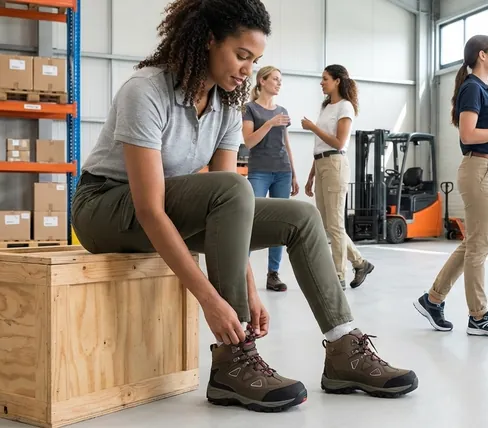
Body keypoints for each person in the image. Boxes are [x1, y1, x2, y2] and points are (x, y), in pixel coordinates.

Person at [71, 0, 417, 413]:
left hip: (165, 204)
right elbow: (149, 208)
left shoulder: (226, 107)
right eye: (241, 55)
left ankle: (344, 350)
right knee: (234, 189)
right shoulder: (145, 90)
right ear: (208, 41)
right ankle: (232, 359)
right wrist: (212, 302)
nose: (247, 69)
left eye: (255, 60)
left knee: (301, 216)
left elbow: (230, 211)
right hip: (105, 206)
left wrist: (249, 289)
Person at [412, 35, 488, 338]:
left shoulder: (480, 88)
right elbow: (468, 134)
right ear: (482, 55)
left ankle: (433, 300)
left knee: (473, 243)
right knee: (479, 246)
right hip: (480, 168)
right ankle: (479, 316)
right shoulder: (473, 88)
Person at [301, 64, 374, 290]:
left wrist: (313, 127)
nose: (321, 82)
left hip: (335, 164)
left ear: (337, 81)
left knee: (335, 224)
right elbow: (320, 145)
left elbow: (339, 143)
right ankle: (360, 263)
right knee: (327, 224)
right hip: (321, 163)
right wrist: (311, 175)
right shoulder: (326, 107)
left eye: (325, 79)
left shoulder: (345, 107)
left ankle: (338, 276)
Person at [242, 65, 298, 292]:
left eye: (280, 80)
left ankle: (273, 274)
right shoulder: (249, 109)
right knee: (248, 220)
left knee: (279, 225)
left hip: (282, 172)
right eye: (275, 79)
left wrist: (294, 173)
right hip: (259, 172)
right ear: (262, 81)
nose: (278, 83)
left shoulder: (282, 110)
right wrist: (269, 123)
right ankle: (240, 273)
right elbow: (248, 142)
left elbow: (286, 144)